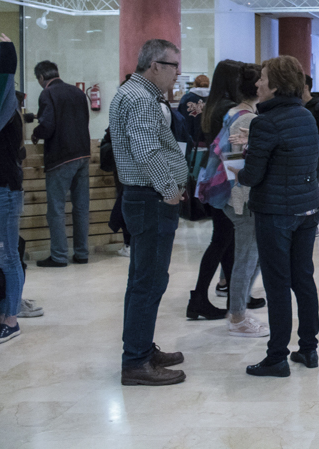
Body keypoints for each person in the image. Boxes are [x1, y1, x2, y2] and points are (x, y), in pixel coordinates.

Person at [235, 55, 319, 378]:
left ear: (276, 85)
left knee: (277, 284)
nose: (257, 83)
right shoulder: (306, 117)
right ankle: (309, 348)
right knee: (304, 279)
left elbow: (254, 174)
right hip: (307, 209)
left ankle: (277, 357)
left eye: (263, 77)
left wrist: (238, 172)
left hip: (276, 213)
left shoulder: (265, 122)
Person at [109, 38, 188, 386]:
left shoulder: (131, 93)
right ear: (155, 65)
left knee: (141, 280)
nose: (177, 75)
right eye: (173, 67)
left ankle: (139, 348)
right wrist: (169, 189)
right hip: (151, 199)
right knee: (149, 282)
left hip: (141, 197)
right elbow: (145, 151)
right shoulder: (142, 100)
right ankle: (136, 362)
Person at [186, 60, 242, 321]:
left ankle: (234, 296)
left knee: (226, 240)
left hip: (213, 179)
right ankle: (199, 297)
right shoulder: (229, 109)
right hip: (226, 181)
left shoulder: (212, 106)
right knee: (222, 239)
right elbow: (233, 152)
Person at [221, 64, 268, 338]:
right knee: (247, 258)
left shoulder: (233, 112)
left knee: (251, 256)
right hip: (243, 197)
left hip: (235, 194)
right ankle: (237, 315)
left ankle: (238, 310)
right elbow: (239, 163)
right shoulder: (248, 119)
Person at [30, 59, 91, 267]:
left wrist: (36, 133)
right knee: (81, 207)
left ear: (41, 77)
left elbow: (47, 126)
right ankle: (82, 253)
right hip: (83, 154)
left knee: (56, 208)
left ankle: (58, 256)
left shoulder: (47, 93)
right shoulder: (77, 92)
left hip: (61, 157)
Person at [0, 36, 26, 345]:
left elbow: (3, 76)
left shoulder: (0, 106)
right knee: (0, 257)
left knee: (7, 257)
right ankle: (0, 315)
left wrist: (8, 50)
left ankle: (10, 320)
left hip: (2, 191)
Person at [177, 74, 210, 144]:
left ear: (195, 84)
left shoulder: (186, 98)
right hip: (209, 138)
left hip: (190, 137)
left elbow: (179, 118)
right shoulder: (213, 98)